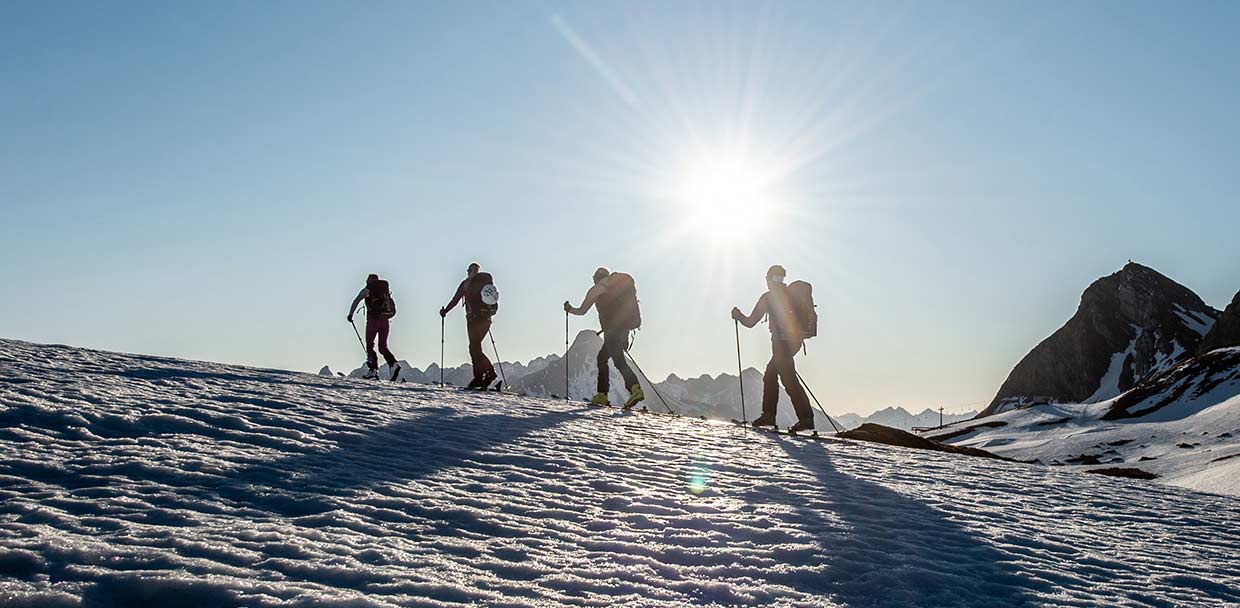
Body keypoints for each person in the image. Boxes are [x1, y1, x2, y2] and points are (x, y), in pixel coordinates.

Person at [732, 265, 814, 432]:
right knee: (771, 374)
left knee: (787, 379)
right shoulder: (790, 296)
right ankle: (772, 415)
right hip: (794, 343)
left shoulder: (769, 297)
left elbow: (750, 322)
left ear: (768, 279)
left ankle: (803, 419)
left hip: (780, 343)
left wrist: (738, 315)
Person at [564, 267, 644, 408]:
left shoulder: (598, 288)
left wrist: (569, 309)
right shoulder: (619, 287)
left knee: (618, 361)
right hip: (625, 329)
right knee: (602, 358)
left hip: (612, 331)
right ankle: (603, 394)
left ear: (596, 278)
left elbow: (582, 311)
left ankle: (634, 388)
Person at [440, 262, 498, 389]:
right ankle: (482, 375)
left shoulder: (466, 284)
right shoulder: (487, 284)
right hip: (486, 319)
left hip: (473, 319)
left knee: (474, 347)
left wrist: (445, 311)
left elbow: (455, 300)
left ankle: (487, 374)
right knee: (475, 347)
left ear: (470, 271)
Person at [347, 273, 401, 381]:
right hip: (385, 320)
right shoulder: (384, 291)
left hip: (373, 321)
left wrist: (351, 314)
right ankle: (393, 364)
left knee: (370, 346)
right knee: (383, 347)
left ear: (369, 280)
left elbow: (356, 301)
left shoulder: (367, 289)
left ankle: (373, 370)